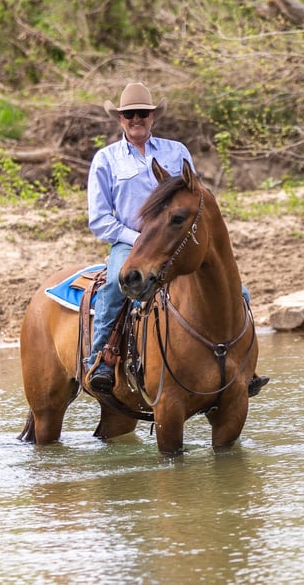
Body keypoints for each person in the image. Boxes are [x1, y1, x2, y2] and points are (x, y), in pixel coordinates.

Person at [86, 82, 268, 397]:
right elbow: (99, 219)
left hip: (177, 240)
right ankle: (101, 358)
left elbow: (196, 199)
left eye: (142, 113)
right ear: (120, 119)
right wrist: (142, 238)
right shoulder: (106, 160)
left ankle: (243, 365)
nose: (136, 119)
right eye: (129, 114)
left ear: (153, 116)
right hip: (131, 241)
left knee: (237, 291)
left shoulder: (176, 152)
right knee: (116, 284)